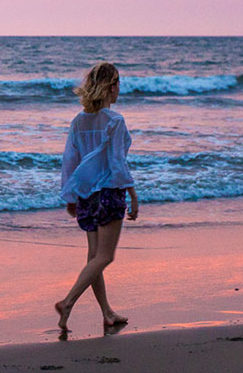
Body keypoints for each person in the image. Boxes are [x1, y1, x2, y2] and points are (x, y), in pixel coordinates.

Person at [55, 61, 139, 338]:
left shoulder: (78, 121)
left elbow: (70, 160)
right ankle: (67, 302)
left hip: (86, 196)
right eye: (118, 85)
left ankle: (106, 313)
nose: (119, 91)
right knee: (104, 257)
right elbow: (117, 162)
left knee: (93, 257)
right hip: (108, 193)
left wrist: (70, 194)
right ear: (110, 85)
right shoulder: (115, 121)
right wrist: (133, 193)